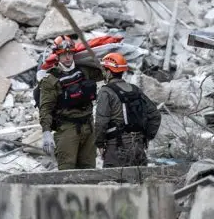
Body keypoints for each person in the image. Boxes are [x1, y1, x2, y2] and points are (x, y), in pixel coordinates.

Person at [39, 35, 102, 170]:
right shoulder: (50, 80)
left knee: (89, 169)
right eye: (63, 54)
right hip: (67, 128)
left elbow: (105, 73)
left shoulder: (85, 70)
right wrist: (46, 132)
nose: (67, 57)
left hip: (89, 126)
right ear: (57, 56)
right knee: (67, 170)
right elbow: (45, 108)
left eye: (70, 53)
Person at [95, 53, 161, 168]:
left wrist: (99, 144)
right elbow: (155, 115)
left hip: (116, 147)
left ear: (109, 72)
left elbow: (101, 122)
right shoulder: (135, 89)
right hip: (138, 145)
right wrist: (147, 137)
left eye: (104, 70)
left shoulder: (105, 92)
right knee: (138, 178)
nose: (103, 73)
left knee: (114, 178)